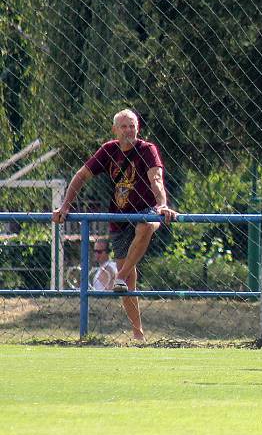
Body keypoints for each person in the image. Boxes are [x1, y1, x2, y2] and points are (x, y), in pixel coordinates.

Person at [52, 109, 177, 342]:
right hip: (119, 216)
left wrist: (162, 205)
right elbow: (81, 175)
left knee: (147, 225)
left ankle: (118, 276)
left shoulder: (147, 150)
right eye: (124, 126)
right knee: (130, 281)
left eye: (132, 126)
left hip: (146, 210)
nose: (129, 130)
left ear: (138, 128)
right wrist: (65, 206)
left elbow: (156, 179)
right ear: (115, 130)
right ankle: (138, 333)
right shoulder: (108, 150)